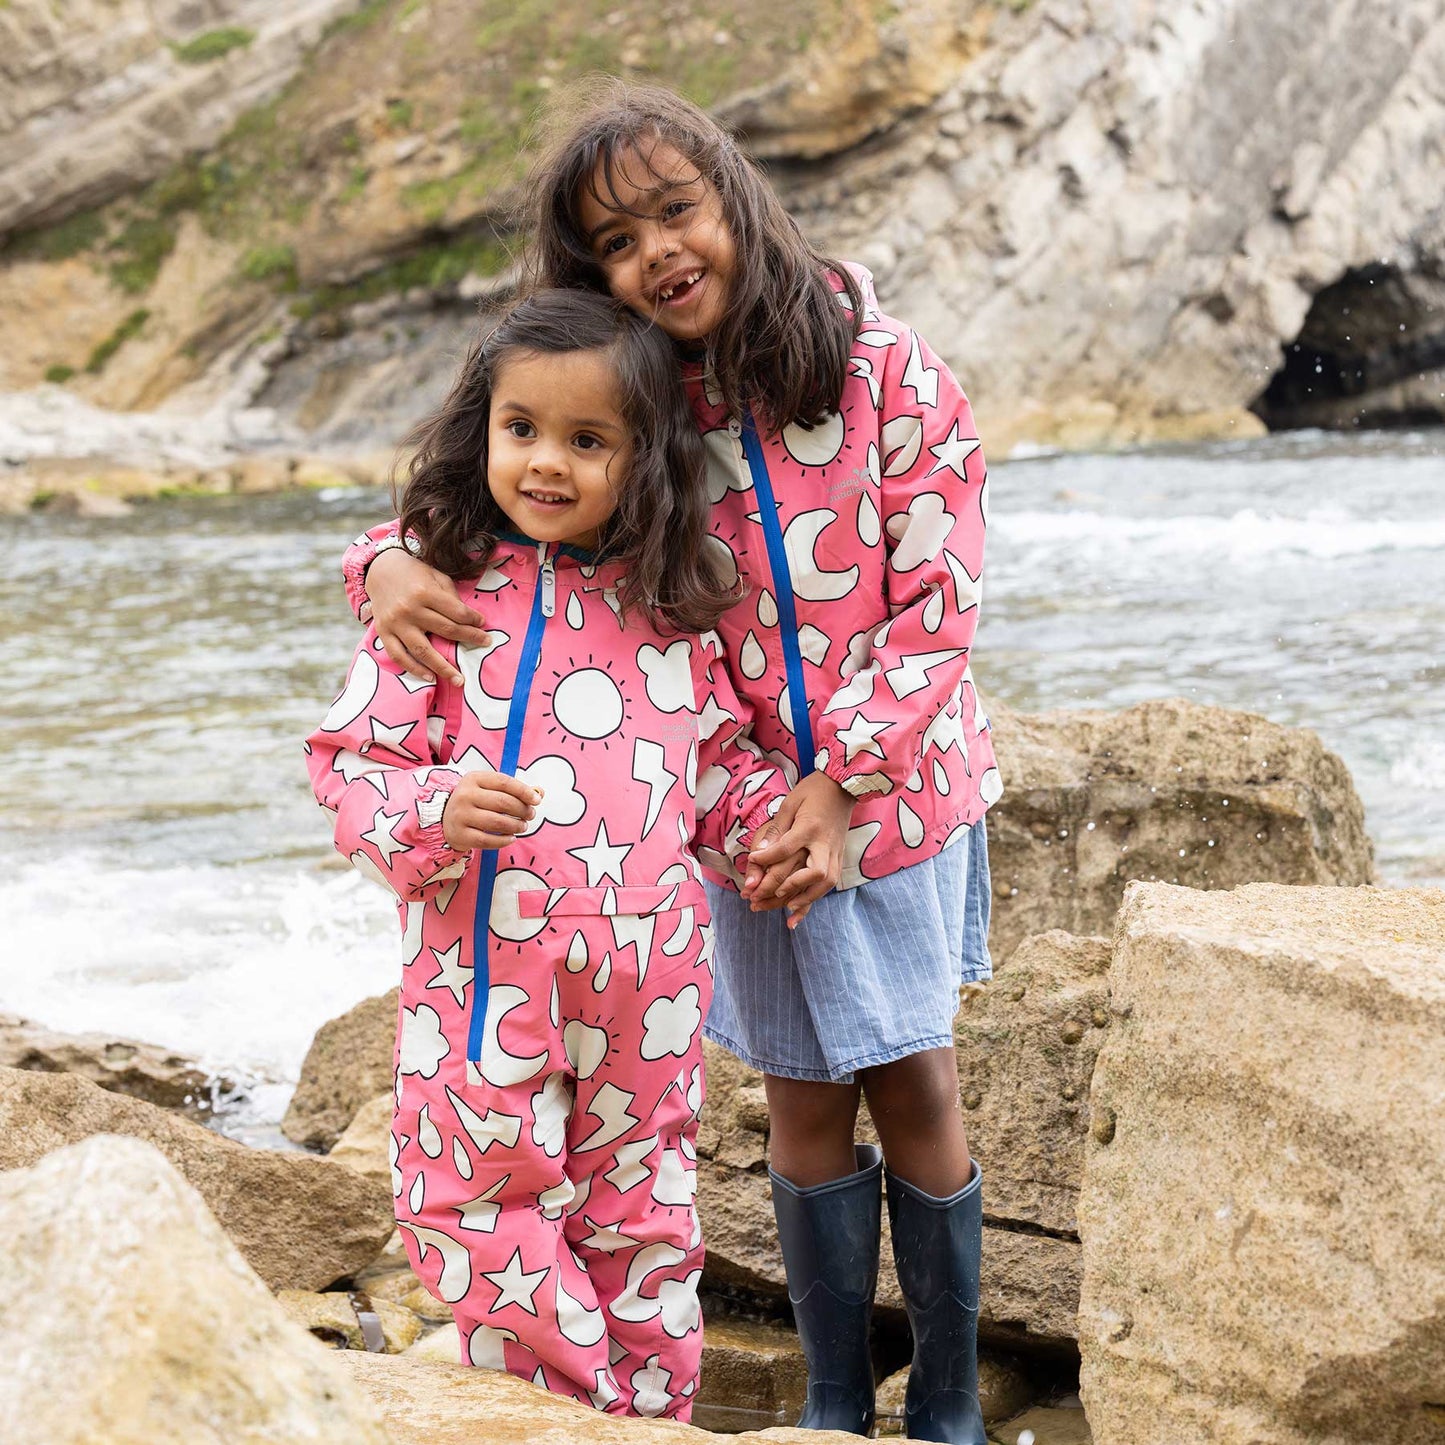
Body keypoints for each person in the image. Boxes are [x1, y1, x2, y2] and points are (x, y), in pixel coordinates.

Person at [339, 86, 1002, 1445]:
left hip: (893, 794)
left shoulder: (885, 368)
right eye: (615, 241)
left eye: (674, 211)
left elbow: (939, 604)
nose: (656, 251)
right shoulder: (641, 398)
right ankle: (828, 1403)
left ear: (733, 196)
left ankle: (946, 1407)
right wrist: (381, 561)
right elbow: (490, 492)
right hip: (735, 816)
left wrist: (846, 781)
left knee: (915, 1076)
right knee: (798, 1095)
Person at [307, 288, 798, 1420]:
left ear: (646, 457)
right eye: (521, 428)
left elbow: (719, 769)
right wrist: (434, 809)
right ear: (480, 427)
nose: (545, 461)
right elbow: (349, 766)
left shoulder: (677, 603)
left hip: (650, 978)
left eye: (587, 440)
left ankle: (652, 1415)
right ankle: (584, 1407)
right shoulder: (436, 596)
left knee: (641, 1214)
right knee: (468, 1201)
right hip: (480, 970)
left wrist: (771, 835)